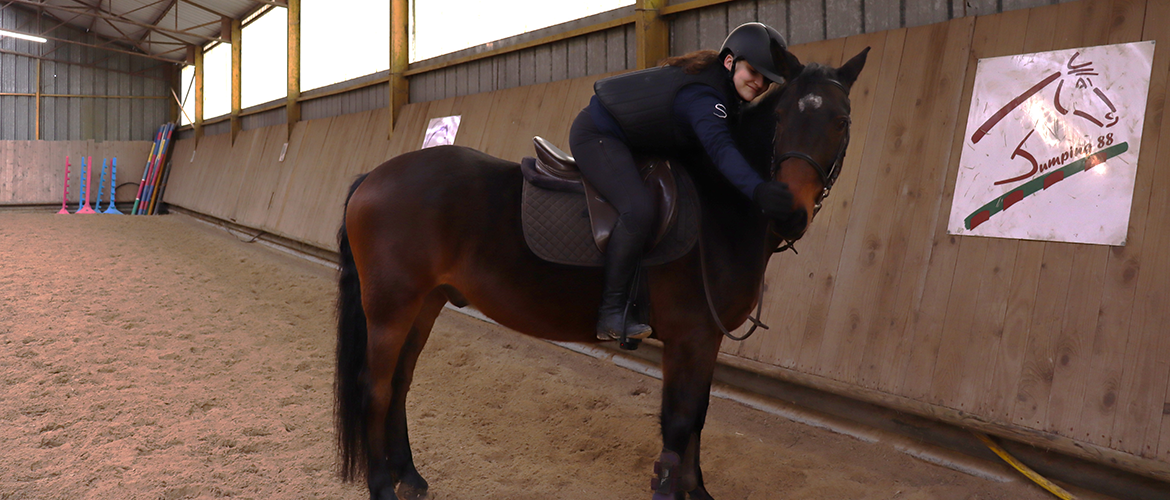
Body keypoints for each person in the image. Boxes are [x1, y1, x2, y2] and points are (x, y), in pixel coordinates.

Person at [569, 22, 797, 341]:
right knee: (638, 211)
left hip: (640, 141)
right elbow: (720, 150)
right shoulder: (705, 98)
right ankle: (611, 312)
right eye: (753, 72)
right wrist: (758, 190)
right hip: (598, 135)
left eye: (767, 80)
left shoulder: (723, 89)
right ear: (730, 62)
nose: (759, 84)